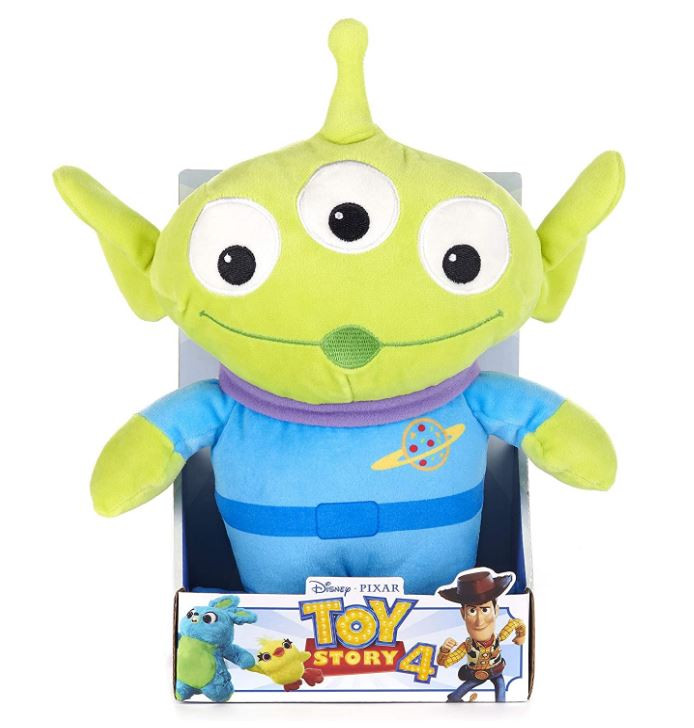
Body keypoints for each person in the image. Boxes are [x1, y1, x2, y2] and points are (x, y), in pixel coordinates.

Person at [437, 568, 526, 702]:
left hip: (496, 672)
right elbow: (446, 662)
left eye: (485, 610)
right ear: (463, 614)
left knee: (501, 694)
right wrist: (444, 651)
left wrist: (521, 635)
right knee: (455, 696)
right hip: (476, 675)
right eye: (472, 611)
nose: (479, 621)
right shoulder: (467, 646)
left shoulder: (498, 638)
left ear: (496, 610)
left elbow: (516, 622)